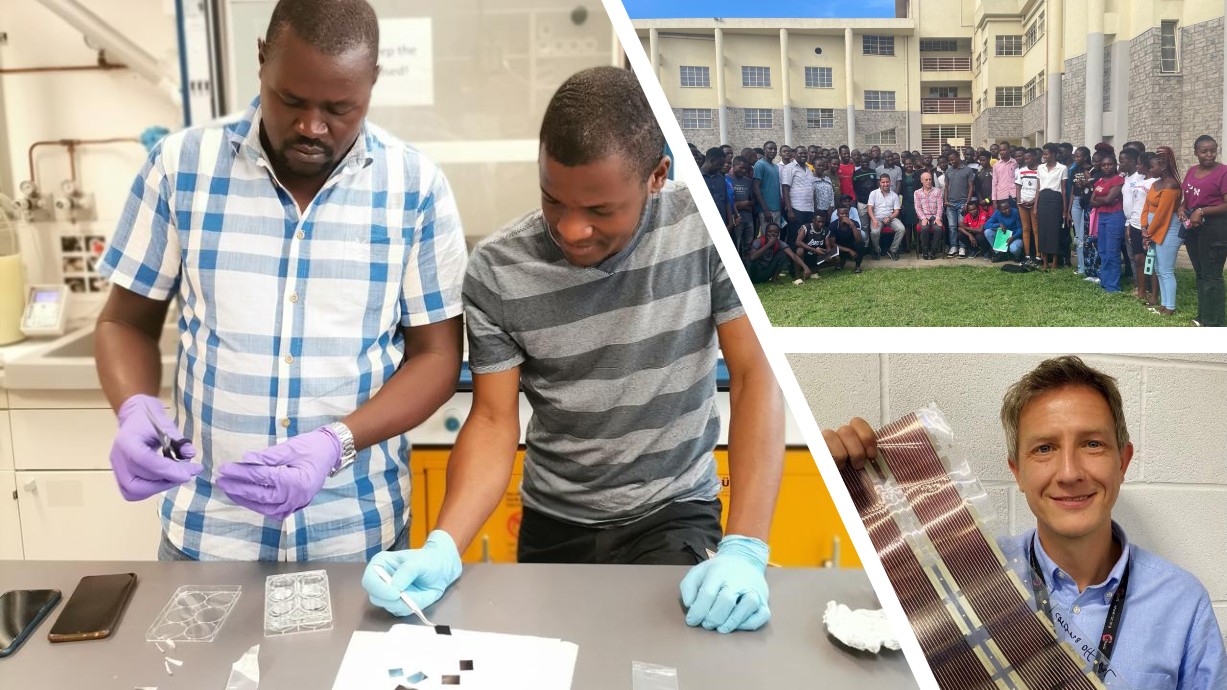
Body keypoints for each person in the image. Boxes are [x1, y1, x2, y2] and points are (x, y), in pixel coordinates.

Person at [363, 67, 784, 636]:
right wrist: (444, 544)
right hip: (553, 524)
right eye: (552, 199)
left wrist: (746, 548)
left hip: (673, 514)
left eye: (600, 211)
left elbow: (757, 373)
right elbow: (491, 420)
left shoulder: (702, 232)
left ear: (658, 176)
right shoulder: (498, 272)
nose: (572, 229)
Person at [96, 0, 467, 561]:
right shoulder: (180, 168)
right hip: (209, 534)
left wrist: (334, 443)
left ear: (372, 83)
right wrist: (133, 408)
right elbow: (124, 321)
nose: (311, 127)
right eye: (291, 100)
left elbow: (437, 358)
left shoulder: (414, 187)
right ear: (262, 60)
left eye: (341, 108)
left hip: (355, 532)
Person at [823, 356, 1227, 690]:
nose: (1069, 472)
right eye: (1044, 448)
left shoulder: (1182, 603)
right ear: (1016, 471)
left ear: (1123, 461)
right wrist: (835, 487)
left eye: (1092, 444)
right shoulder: (965, 575)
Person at [1177, 135, 1227, 327]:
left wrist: (1201, 211)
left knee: (1212, 275)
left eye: (1213, 150)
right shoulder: (1191, 171)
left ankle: (1215, 323)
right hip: (1194, 229)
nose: (1209, 154)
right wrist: (1182, 208)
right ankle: (1203, 317)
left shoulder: (1223, 172)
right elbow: (1188, 198)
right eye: (1204, 151)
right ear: (1196, 152)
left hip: (1215, 229)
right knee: (1200, 273)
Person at [1141, 146, 1184, 317]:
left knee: (1166, 270)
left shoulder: (1172, 185)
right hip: (1152, 230)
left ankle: (1170, 307)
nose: (1150, 170)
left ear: (1163, 166)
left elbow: (1162, 214)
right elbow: (1147, 207)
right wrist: (1144, 227)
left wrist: (1149, 234)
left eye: (1152, 167)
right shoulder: (1155, 184)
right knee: (1158, 268)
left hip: (1167, 229)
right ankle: (1164, 305)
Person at [1121, 149, 1155, 301]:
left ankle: (1151, 291)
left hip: (1147, 225)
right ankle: (1140, 290)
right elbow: (1135, 205)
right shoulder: (1139, 182)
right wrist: (1129, 224)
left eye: (1140, 164)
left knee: (1151, 260)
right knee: (1138, 258)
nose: (1138, 166)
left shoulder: (1154, 183)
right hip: (1134, 224)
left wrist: (1147, 226)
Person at [1091, 153, 1127, 293]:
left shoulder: (1118, 179)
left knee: (1112, 251)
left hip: (1114, 216)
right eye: (1104, 164)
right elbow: (1092, 201)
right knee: (1103, 250)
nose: (1106, 167)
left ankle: (1113, 286)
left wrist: (1100, 200)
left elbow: (1108, 200)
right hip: (1102, 216)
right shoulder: (1099, 180)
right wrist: (1103, 200)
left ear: (1115, 165)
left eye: (1109, 164)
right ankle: (1105, 281)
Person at [1036, 143, 1069, 272]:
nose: (1044, 156)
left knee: (1054, 231)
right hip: (1043, 199)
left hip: (1056, 199)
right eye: (1043, 154)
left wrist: (1065, 210)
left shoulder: (1062, 168)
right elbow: (1038, 188)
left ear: (1054, 154)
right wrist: (1035, 206)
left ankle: (1054, 262)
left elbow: (1064, 190)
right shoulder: (1040, 168)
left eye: (1046, 154)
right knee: (1043, 231)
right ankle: (1044, 262)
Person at [943, 150, 977, 258]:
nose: (951, 162)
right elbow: (946, 187)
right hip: (951, 203)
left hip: (963, 202)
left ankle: (962, 247)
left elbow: (971, 187)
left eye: (952, 159)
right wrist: (945, 200)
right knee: (952, 226)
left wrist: (967, 203)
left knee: (962, 226)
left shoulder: (967, 170)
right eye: (949, 160)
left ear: (958, 157)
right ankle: (954, 247)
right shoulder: (948, 171)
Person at [782, 147, 816, 245]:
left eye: (805, 153)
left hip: (809, 209)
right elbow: (785, 189)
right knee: (794, 235)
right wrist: (789, 210)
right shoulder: (789, 168)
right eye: (800, 153)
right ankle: (792, 259)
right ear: (794, 155)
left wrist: (814, 208)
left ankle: (803, 258)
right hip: (796, 209)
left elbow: (812, 189)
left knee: (807, 236)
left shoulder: (809, 169)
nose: (803, 155)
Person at [867, 174, 905, 260]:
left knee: (901, 229)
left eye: (887, 182)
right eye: (883, 182)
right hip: (877, 218)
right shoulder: (873, 193)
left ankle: (893, 250)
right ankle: (877, 250)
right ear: (880, 183)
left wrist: (890, 218)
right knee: (874, 232)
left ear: (890, 182)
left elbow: (897, 211)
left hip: (890, 217)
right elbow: (869, 209)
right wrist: (874, 220)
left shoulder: (894, 195)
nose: (885, 184)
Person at [1069, 146, 1094, 275]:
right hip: (1076, 203)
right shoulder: (1074, 170)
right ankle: (1081, 267)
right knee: (1078, 236)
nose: (1076, 158)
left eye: (1078, 156)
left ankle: (1088, 266)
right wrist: (1069, 208)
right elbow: (1073, 191)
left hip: (1088, 202)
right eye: (1075, 156)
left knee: (1085, 234)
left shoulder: (1092, 169)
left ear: (1085, 156)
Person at [1015, 149, 1040, 266]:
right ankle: (1027, 255)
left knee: (1036, 229)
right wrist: (1019, 200)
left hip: (1035, 203)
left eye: (1027, 158)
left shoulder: (1041, 170)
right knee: (1026, 228)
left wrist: (1034, 201)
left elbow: (1041, 188)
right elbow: (1018, 187)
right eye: (1025, 159)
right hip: (1023, 204)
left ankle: (1039, 256)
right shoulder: (1022, 171)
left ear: (1034, 157)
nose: (1025, 161)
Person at [701, 147, 734, 233]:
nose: (721, 168)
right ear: (711, 160)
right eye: (719, 165)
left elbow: (726, 200)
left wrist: (730, 223)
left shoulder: (720, 178)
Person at [753, 141, 783, 233]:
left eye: (775, 149)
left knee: (776, 238)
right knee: (766, 238)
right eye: (770, 148)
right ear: (764, 150)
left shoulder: (775, 167)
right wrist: (765, 209)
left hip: (777, 208)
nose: (773, 151)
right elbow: (756, 188)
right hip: (766, 209)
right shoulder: (760, 165)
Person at [729, 156, 756, 256]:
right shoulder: (726, 179)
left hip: (748, 218)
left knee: (748, 244)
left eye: (746, 168)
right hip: (735, 219)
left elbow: (753, 200)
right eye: (741, 168)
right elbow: (729, 201)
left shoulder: (748, 181)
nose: (744, 170)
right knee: (736, 244)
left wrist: (746, 204)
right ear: (734, 166)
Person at [914, 171, 944, 260]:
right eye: (926, 180)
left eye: (930, 179)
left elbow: (940, 206)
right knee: (924, 228)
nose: (928, 181)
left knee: (938, 229)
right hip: (924, 216)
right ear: (921, 181)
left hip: (935, 216)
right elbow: (917, 207)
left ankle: (934, 250)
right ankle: (925, 250)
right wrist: (923, 218)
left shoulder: (938, 191)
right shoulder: (917, 193)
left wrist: (938, 217)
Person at [831, 204, 866, 274]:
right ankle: (840, 263)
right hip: (840, 247)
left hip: (852, 245)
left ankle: (857, 266)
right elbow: (832, 243)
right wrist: (849, 250)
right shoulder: (833, 225)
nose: (844, 216)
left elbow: (858, 240)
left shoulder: (854, 223)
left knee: (861, 244)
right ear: (837, 215)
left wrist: (852, 225)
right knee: (833, 248)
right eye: (842, 214)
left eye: (846, 214)